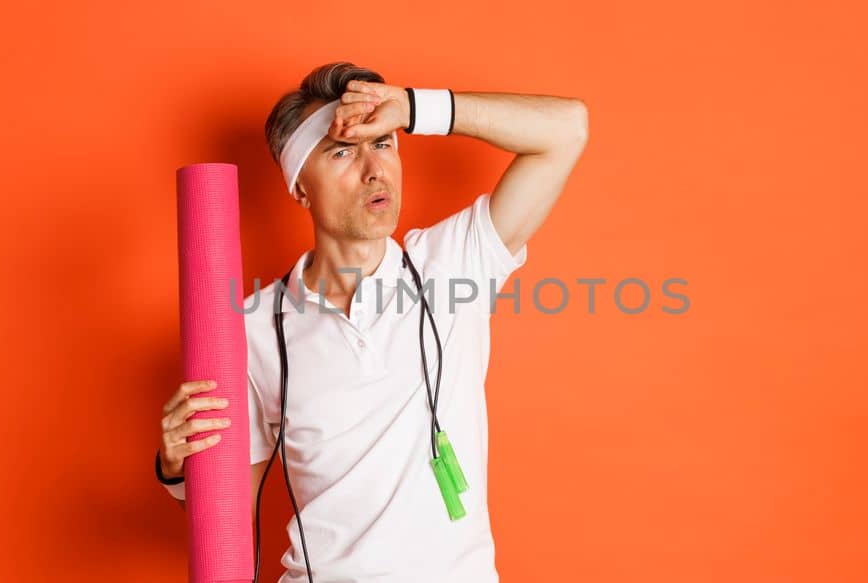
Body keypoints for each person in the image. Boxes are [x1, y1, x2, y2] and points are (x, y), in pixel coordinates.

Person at [155, 61, 588, 582]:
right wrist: (181, 471)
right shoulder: (252, 331)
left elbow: (567, 129)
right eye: (342, 151)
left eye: (382, 143)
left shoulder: (453, 264)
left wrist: (412, 107)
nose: (373, 169)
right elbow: (230, 532)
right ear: (299, 188)